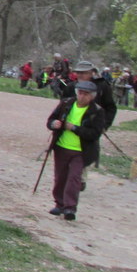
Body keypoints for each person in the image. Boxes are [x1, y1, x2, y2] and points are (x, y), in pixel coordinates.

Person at [47, 80, 105, 221]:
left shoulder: (97, 111)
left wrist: (75, 128)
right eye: (80, 92)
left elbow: (95, 134)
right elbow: (51, 120)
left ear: (92, 96)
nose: (82, 96)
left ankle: (69, 208)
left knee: (74, 179)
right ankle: (59, 204)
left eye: (86, 94)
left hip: (81, 151)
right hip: (61, 147)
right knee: (60, 177)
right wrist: (54, 124)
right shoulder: (66, 103)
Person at [60, 60, 117, 130]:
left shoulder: (102, 86)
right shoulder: (70, 87)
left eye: (84, 72)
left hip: (91, 128)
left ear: (91, 73)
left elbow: (110, 107)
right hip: (69, 126)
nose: (80, 75)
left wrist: (104, 125)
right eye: (78, 72)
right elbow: (62, 105)